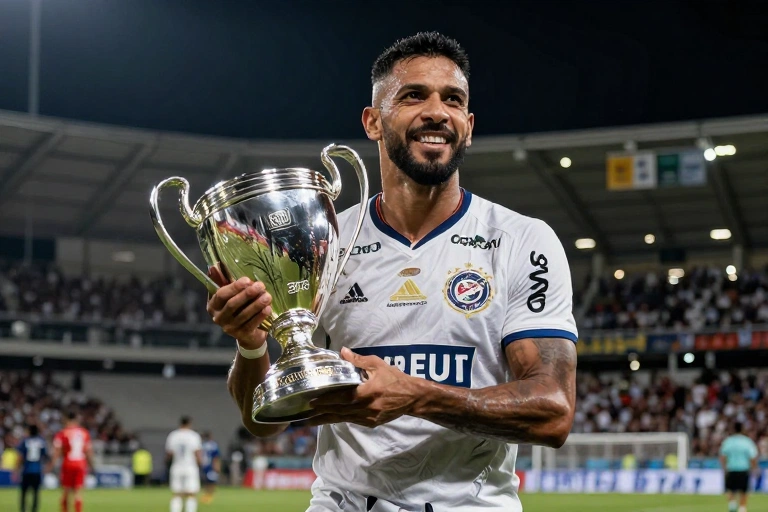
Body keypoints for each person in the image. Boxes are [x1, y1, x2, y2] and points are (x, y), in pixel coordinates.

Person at [209, 31, 578, 511]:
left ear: (468, 125)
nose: (437, 111)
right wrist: (250, 343)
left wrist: (417, 395)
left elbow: (553, 411)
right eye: (413, 96)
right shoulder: (324, 242)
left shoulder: (522, 240)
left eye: (453, 99)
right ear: (373, 122)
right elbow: (263, 422)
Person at [52, 410, 94, 512]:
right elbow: (88, 451)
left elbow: (57, 451)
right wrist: (91, 465)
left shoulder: (62, 433)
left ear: (66, 419)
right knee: (78, 493)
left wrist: (52, 464)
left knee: (66, 492)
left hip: (68, 463)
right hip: (81, 463)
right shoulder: (84, 432)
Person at [165, 416, 203, 512]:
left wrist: (167, 463)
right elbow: (197, 452)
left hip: (177, 466)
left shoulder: (173, 435)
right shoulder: (193, 436)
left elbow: (169, 453)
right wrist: (200, 463)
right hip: (190, 467)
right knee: (191, 494)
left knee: (176, 494)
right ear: (189, 423)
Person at [719, 422, 758, 512]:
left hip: (731, 469)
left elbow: (723, 456)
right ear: (742, 429)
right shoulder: (747, 441)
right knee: (744, 490)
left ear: (733, 429)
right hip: (744, 469)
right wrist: (754, 468)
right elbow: (752, 456)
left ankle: (732, 504)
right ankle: (742, 507)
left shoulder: (728, 441)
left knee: (730, 489)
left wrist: (724, 467)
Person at [16, 424, 48, 512]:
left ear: (29, 431)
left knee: (24, 492)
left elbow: (20, 456)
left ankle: (23, 509)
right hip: (37, 470)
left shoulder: (25, 441)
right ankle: (34, 509)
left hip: (26, 470)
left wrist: (16, 469)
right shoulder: (41, 441)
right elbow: (45, 455)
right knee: (36, 493)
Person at [199, 432, 221, 504]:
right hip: (211, 465)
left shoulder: (201, 445)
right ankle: (209, 496)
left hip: (204, 465)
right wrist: (217, 466)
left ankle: (206, 496)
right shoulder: (213, 445)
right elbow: (216, 457)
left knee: (206, 481)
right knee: (211, 482)